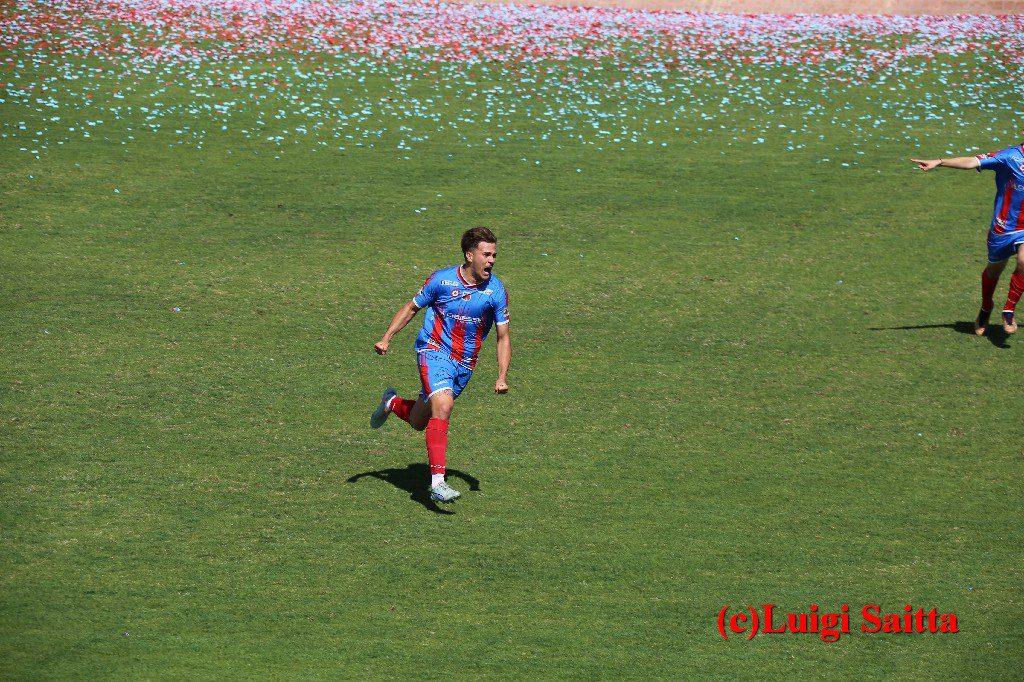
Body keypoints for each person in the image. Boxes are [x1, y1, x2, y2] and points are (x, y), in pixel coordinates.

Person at [369, 227, 511, 503]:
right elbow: (412, 308)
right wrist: (386, 338)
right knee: (444, 406)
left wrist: (501, 375)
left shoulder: (496, 291)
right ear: (470, 256)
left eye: (494, 255)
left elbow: (503, 336)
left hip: (464, 364)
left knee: (420, 421)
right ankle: (437, 483)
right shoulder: (441, 281)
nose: (492, 260)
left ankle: (392, 402)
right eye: (487, 254)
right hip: (433, 351)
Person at [912, 141, 1024, 335]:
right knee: (993, 271)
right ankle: (986, 307)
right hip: (1004, 227)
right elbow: (972, 161)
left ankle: (1009, 310)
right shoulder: (1009, 156)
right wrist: (940, 162)